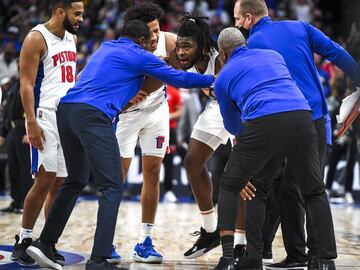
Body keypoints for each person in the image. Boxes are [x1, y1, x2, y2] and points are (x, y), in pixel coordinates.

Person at [26, 19, 214, 270]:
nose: (153, 45)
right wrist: (216, 79)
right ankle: (99, 258)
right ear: (141, 41)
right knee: (112, 186)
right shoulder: (139, 54)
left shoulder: (104, 48)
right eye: (149, 41)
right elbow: (179, 78)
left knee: (76, 180)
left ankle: (44, 243)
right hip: (93, 116)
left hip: (66, 111)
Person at [233, 0, 360, 268]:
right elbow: (336, 52)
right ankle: (314, 258)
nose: (235, 25)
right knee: (308, 189)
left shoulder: (251, 48)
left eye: (236, 19)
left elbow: (249, 93)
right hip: (313, 119)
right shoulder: (300, 27)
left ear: (248, 18)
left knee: (268, 188)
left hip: (275, 121)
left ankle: (271, 256)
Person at [213, 27, 336, 270]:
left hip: (263, 124)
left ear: (223, 55)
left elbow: (233, 125)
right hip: (302, 117)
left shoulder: (224, 77)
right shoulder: (273, 56)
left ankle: (242, 258)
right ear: (245, 44)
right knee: (314, 191)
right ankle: (324, 261)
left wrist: (246, 161)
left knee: (236, 186)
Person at [11, 0, 84, 267]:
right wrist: (30, 120)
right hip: (43, 116)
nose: (81, 19)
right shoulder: (36, 37)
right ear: (60, 11)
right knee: (44, 178)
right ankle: (25, 239)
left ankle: (47, 241)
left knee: (60, 182)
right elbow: (27, 84)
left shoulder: (72, 39)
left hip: (66, 117)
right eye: (77, 14)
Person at [173, 14, 241, 260]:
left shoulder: (220, 60)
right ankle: (210, 229)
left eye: (186, 47)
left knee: (241, 179)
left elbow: (230, 98)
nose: (180, 52)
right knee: (192, 162)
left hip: (238, 108)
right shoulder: (180, 53)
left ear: (202, 47)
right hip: (216, 108)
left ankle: (242, 244)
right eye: (178, 46)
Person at [114, 2, 177, 263]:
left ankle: (145, 241)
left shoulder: (169, 42)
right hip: (126, 117)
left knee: (153, 173)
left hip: (156, 112)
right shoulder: (124, 47)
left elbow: (195, 62)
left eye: (157, 29)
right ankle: (106, 239)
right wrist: (127, 95)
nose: (155, 36)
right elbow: (106, 81)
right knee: (118, 177)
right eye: (149, 32)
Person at [0, 78, 32, 214]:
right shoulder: (14, 86)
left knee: (25, 169)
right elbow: (6, 110)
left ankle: (26, 203)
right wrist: (3, 132)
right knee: (13, 168)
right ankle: (16, 201)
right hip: (12, 130)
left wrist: (29, 131)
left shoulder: (31, 84)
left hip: (24, 130)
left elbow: (32, 107)